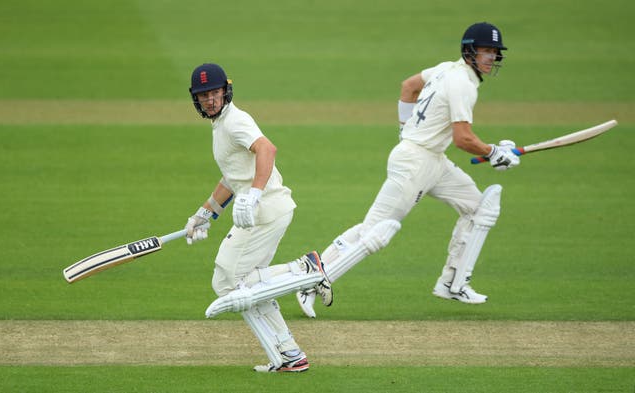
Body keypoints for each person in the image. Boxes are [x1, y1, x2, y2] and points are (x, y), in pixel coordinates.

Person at [296, 22, 519, 318]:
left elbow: (408, 86)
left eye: (495, 52)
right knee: (375, 231)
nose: (492, 57)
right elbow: (462, 138)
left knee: (480, 208)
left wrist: (406, 128)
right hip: (415, 163)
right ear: (470, 51)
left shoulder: (445, 69)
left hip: (434, 161)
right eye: (486, 51)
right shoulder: (463, 84)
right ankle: (312, 280)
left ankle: (453, 283)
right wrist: (493, 153)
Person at [183, 63, 333, 372]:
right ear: (195, 100)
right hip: (262, 212)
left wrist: (253, 194)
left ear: (226, 91)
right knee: (242, 285)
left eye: (214, 93)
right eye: (203, 96)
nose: (210, 100)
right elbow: (231, 178)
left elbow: (267, 149)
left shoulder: (235, 121)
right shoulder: (220, 126)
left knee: (228, 279)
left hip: (266, 211)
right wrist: (205, 213)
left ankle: (304, 269)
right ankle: (290, 354)